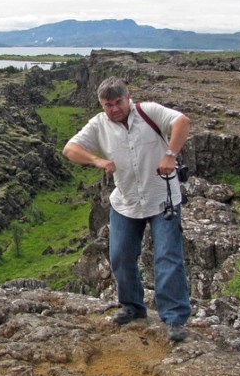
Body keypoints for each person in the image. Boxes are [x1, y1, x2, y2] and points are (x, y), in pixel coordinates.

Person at [62, 76, 191, 342]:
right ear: (101, 104)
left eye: (118, 102)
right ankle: (132, 307)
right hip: (126, 202)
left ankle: (175, 319)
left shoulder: (149, 112)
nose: (114, 109)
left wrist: (170, 154)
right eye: (107, 104)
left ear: (127, 97)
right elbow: (70, 149)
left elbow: (182, 121)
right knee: (120, 256)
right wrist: (97, 160)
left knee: (167, 257)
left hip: (161, 199)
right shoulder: (98, 125)